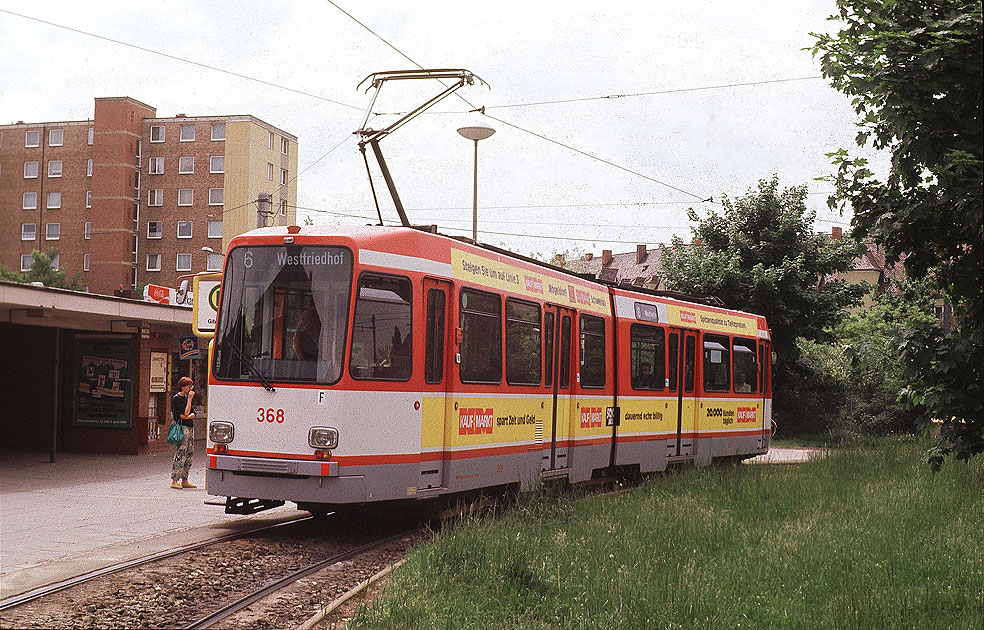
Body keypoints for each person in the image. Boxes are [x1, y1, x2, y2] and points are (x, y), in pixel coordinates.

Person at [170, 376, 197, 489]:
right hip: (182, 428)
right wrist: (190, 399)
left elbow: (193, 413)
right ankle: (175, 480)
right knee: (181, 452)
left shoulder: (186, 398)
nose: (190, 388)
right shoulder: (177, 399)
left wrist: (189, 415)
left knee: (189, 453)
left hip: (190, 427)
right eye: (188, 386)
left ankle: (185, 478)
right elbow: (184, 414)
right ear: (183, 387)